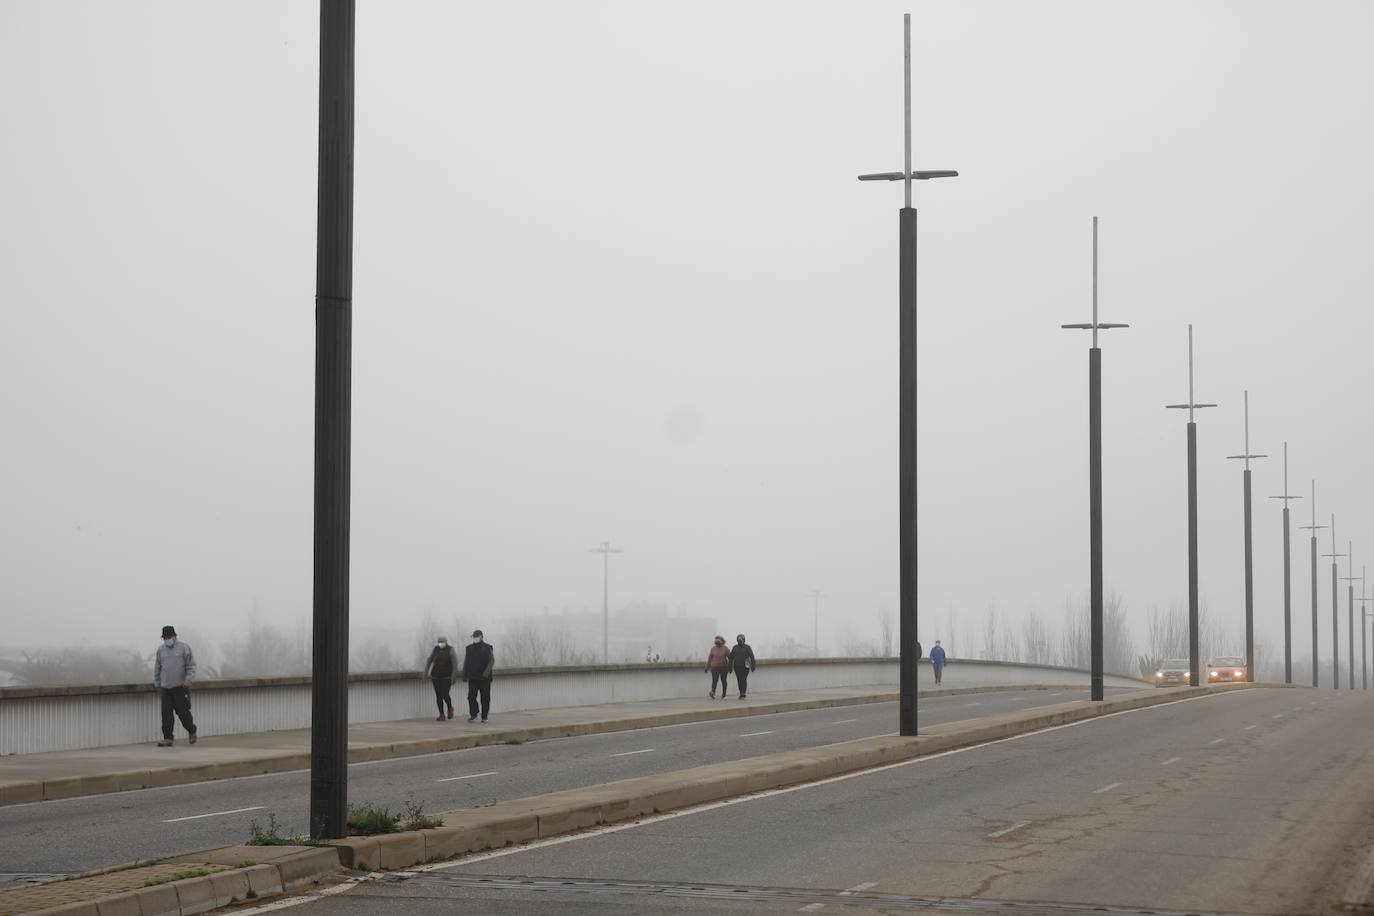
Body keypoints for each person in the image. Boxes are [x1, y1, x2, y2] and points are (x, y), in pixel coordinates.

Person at [153, 625, 197, 747]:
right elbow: (158, 668)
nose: (166, 639)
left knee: (183, 713)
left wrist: (189, 680)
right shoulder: (161, 650)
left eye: (168, 637)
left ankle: (192, 730)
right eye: (164, 638)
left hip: (180, 687)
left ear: (174, 636)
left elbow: (191, 666)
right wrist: (157, 683)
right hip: (165, 688)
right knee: (166, 715)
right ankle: (168, 738)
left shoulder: (184, 648)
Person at [461, 629, 495, 723]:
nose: (475, 639)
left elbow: (491, 661)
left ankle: (484, 716)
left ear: (482, 637)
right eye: (474, 637)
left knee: (485, 698)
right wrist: (464, 674)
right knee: (471, 697)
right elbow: (466, 662)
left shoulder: (487, 647)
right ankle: (474, 714)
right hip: (473, 677)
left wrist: (486, 673)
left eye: (477, 637)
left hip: (485, 679)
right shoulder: (469, 648)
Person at [424, 635, 460, 721]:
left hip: (446, 676)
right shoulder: (435, 649)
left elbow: (455, 664)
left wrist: (454, 677)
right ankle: (441, 714)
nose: (441, 644)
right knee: (438, 696)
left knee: (445, 694)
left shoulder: (451, 650)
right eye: (439, 642)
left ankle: (450, 708)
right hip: (436, 676)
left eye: (442, 642)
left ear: (446, 642)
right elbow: (429, 660)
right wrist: (425, 673)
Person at [730, 634, 757, 699]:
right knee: (739, 680)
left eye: (741, 638)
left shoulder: (747, 647)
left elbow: (752, 657)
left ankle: (743, 693)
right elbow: (731, 657)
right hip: (737, 666)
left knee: (743, 679)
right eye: (738, 638)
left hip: (745, 666)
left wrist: (753, 666)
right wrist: (730, 666)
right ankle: (741, 692)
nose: (739, 639)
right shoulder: (735, 647)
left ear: (744, 639)